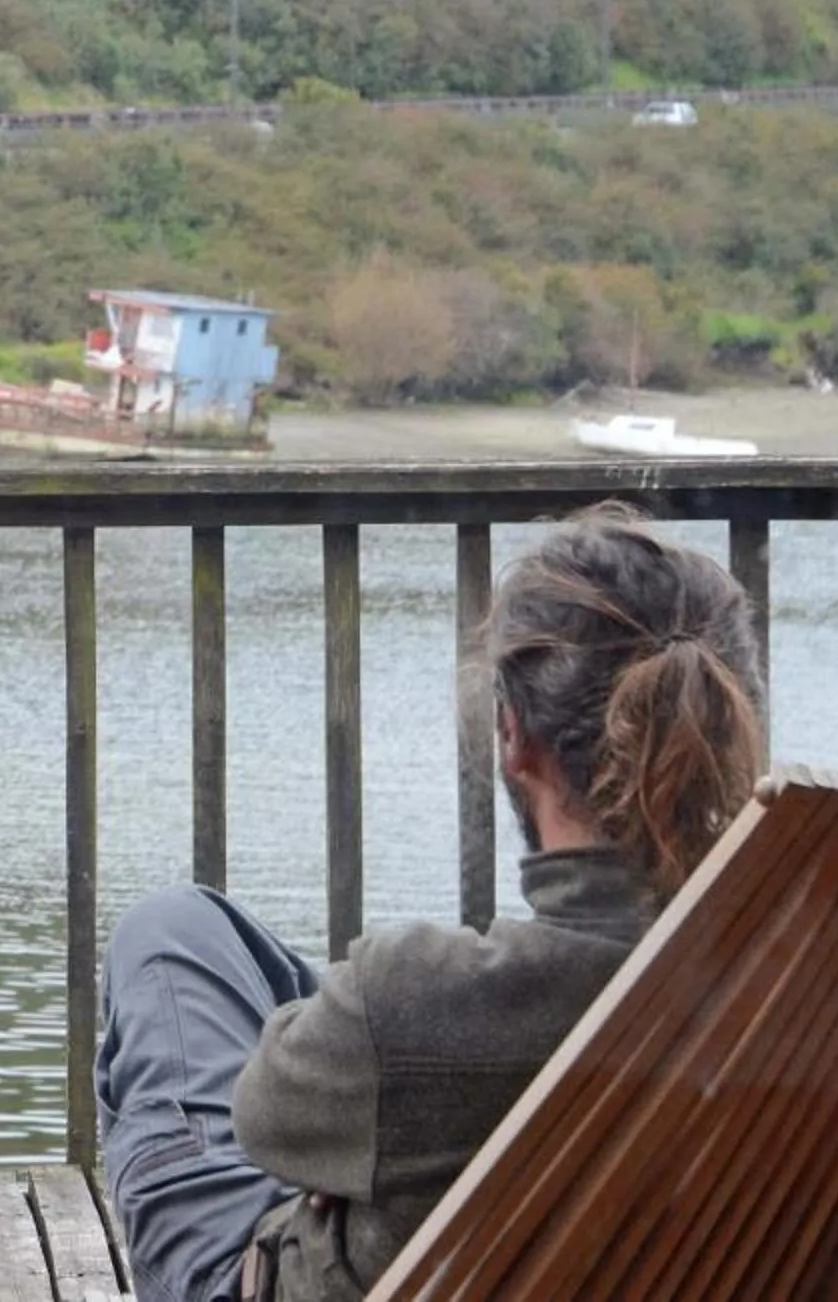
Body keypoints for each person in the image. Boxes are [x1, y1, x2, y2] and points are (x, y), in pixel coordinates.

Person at [96, 506, 766, 1302]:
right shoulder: (813, 995)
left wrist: (364, 1149)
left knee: (168, 932)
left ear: (514, 736)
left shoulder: (418, 1000)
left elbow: (265, 1120)